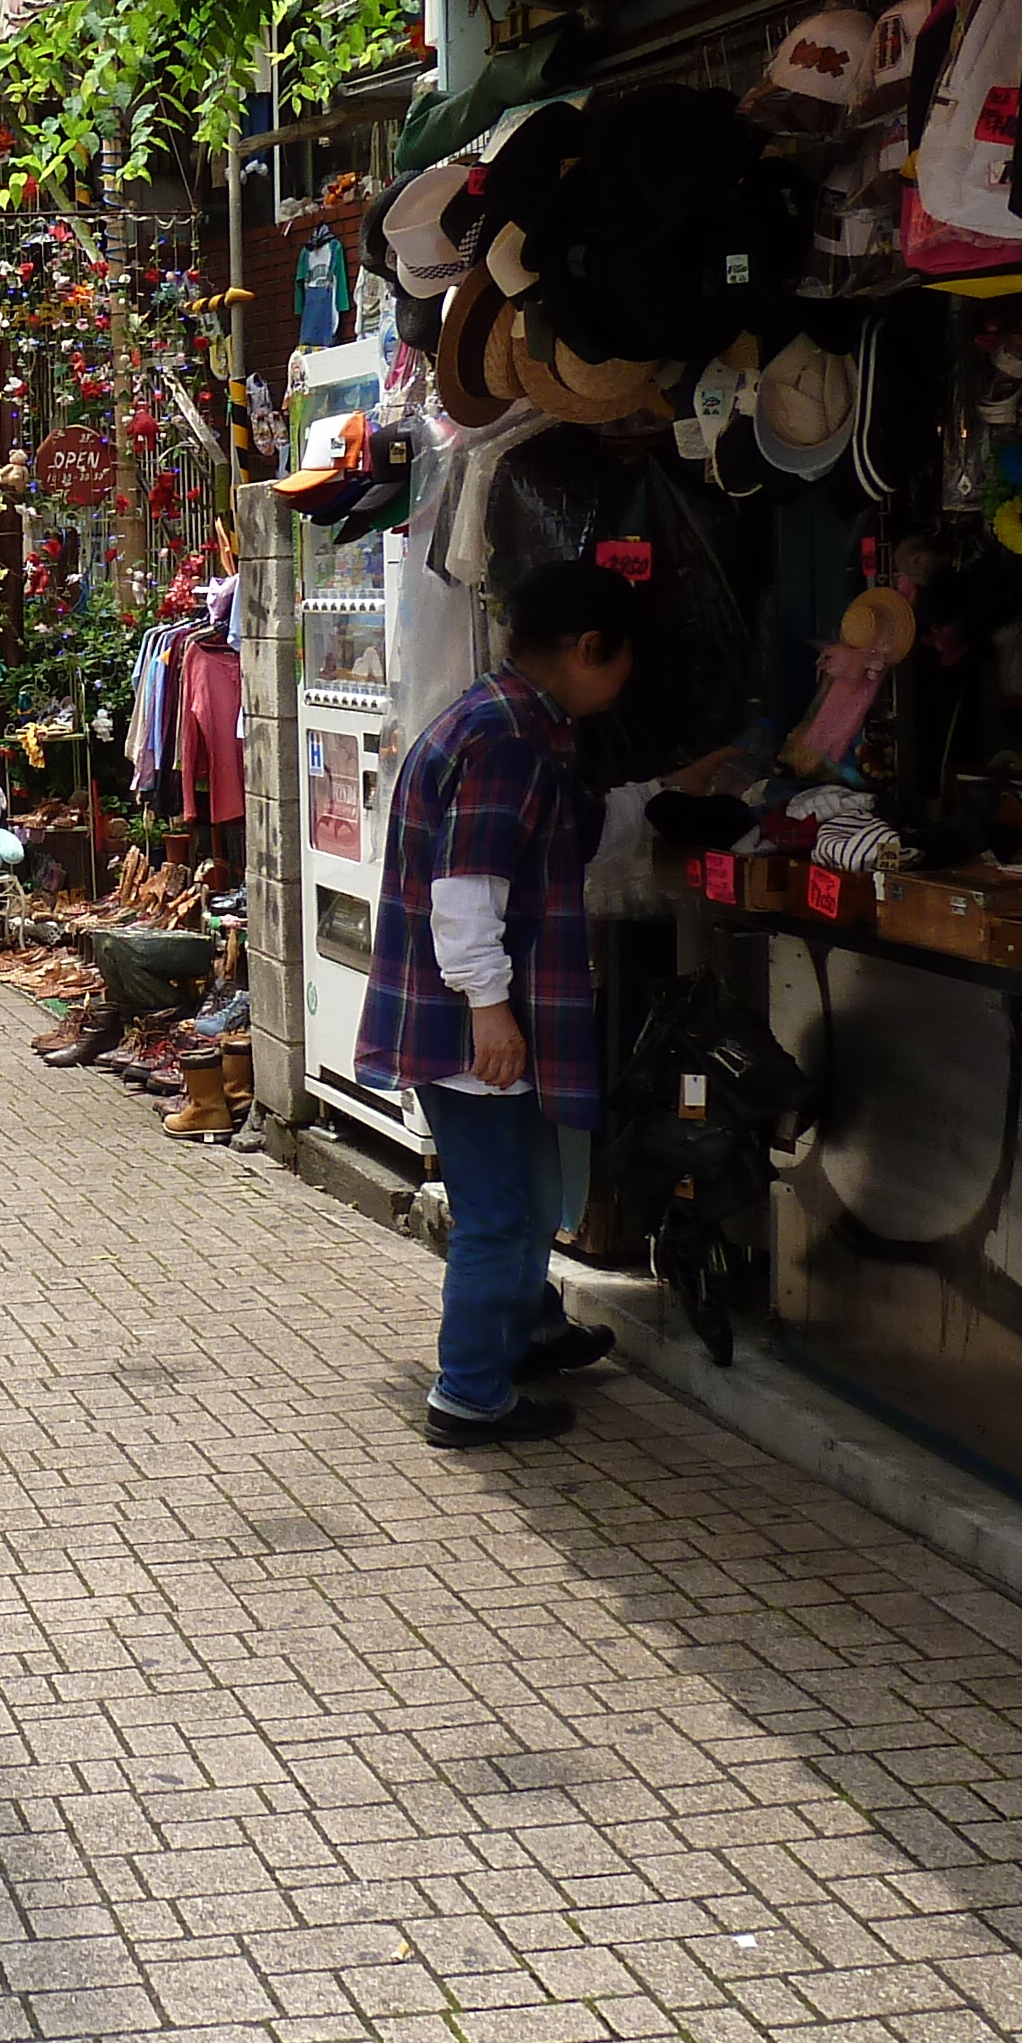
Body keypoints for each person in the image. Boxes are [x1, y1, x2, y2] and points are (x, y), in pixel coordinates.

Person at [356, 558, 641, 1449]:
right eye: (623, 660)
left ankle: (528, 1334)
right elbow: (466, 888)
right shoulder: (510, 737)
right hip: (472, 1024)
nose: (626, 680)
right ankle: (470, 1394)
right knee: (500, 1212)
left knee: (523, 1195)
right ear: (589, 648)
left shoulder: (502, 713)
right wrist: (490, 1008)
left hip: (469, 1013)